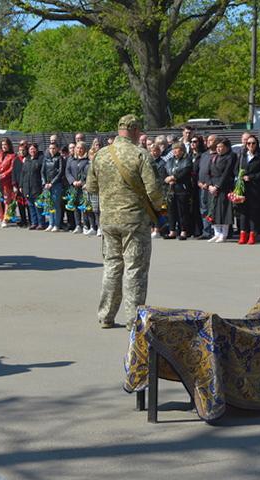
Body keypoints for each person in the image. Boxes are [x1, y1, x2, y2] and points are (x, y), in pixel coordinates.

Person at [85, 114, 164, 331]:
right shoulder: (141, 154)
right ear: (136, 130)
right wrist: (161, 209)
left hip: (108, 220)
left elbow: (90, 188)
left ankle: (105, 316)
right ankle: (133, 320)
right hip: (134, 220)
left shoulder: (100, 155)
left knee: (111, 266)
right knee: (135, 269)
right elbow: (154, 190)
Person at [236, 134, 260, 244]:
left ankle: (252, 234)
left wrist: (251, 177)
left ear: (256, 144)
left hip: (255, 188)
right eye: (248, 143)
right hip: (243, 188)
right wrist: (239, 177)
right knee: (243, 212)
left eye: (253, 143)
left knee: (254, 212)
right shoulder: (242, 156)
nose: (250, 145)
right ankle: (243, 234)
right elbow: (236, 169)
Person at [207, 138, 237, 242]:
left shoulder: (230, 156)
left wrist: (217, 186)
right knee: (214, 210)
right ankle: (216, 232)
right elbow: (209, 171)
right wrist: (210, 185)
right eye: (217, 147)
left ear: (227, 147)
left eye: (221, 147)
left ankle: (223, 234)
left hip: (224, 186)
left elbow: (227, 173)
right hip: (213, 186)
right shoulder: (214, 157)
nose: (219, 149)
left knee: (223, 210)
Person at [163, 141, 194, 240]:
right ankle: (172, 231)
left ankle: (184, 231)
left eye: (178, 149)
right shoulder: (170, 161)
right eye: (174, 149)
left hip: (182, 189)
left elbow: (185, 171)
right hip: (171, 189)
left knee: (182, 211)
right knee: (171, 211)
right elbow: (164, 171)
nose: (175, 151)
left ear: (182, 150)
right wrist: (167, 179)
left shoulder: (187, 160)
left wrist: (173, 177)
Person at [66, 141, 91, 234]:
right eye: (78, 148)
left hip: (83, 187)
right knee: (75, 206)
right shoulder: (71, 160)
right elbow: (67, 172)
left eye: (81, 148)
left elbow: (88, 173)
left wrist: (82, 181)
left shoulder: (87, 160)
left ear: (84, 149)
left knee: (83, 207)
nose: (79, 150)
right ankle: (78, 225)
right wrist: (73, 181)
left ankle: (86, 225)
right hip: (74, 187)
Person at [0, 137, 16, 226]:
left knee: (7, 201)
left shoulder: (13, 156)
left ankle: (5, 219)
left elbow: (12, 168)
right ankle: (0, 218)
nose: (4, 146)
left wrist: (2, 175)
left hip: (6, 181)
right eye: (3, 144)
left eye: (6, 144)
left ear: (9, 145)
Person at [42, 139, 66, 231]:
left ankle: (56, 224)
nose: (52, 150)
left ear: (57, 149)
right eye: (50, 148)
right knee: (49, 204)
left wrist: (52, 183)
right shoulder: (46, 158)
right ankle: (51, 224)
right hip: (47, 185)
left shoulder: (59, 158)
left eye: (54, 148)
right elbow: (42, 171)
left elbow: (60, 172)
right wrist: (45, 182)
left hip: (56, 185)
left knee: (56, 205)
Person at [195, 134, 217, 239]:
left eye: (211, 140)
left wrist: (208, 183)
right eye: (207, 140)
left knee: (214, 209)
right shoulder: (204, 155)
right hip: (202, 186)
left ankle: (218, 231)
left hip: (212, 186)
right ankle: (206, 231)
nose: (208, 142)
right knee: (203, 209)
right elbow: (201, 170)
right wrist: (199, 182)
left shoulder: (218, 155)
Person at [21, 143, 44, 230]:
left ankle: (41, 223)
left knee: (38, 205)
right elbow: (22, 174)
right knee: (31, 206)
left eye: (34, 149)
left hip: (36, 186)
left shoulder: (40, 159)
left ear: (37, 150)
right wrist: (21, 185)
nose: (32, 151)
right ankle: (34, 223)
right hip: (27, 186)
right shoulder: (26, 160)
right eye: (31, 149)